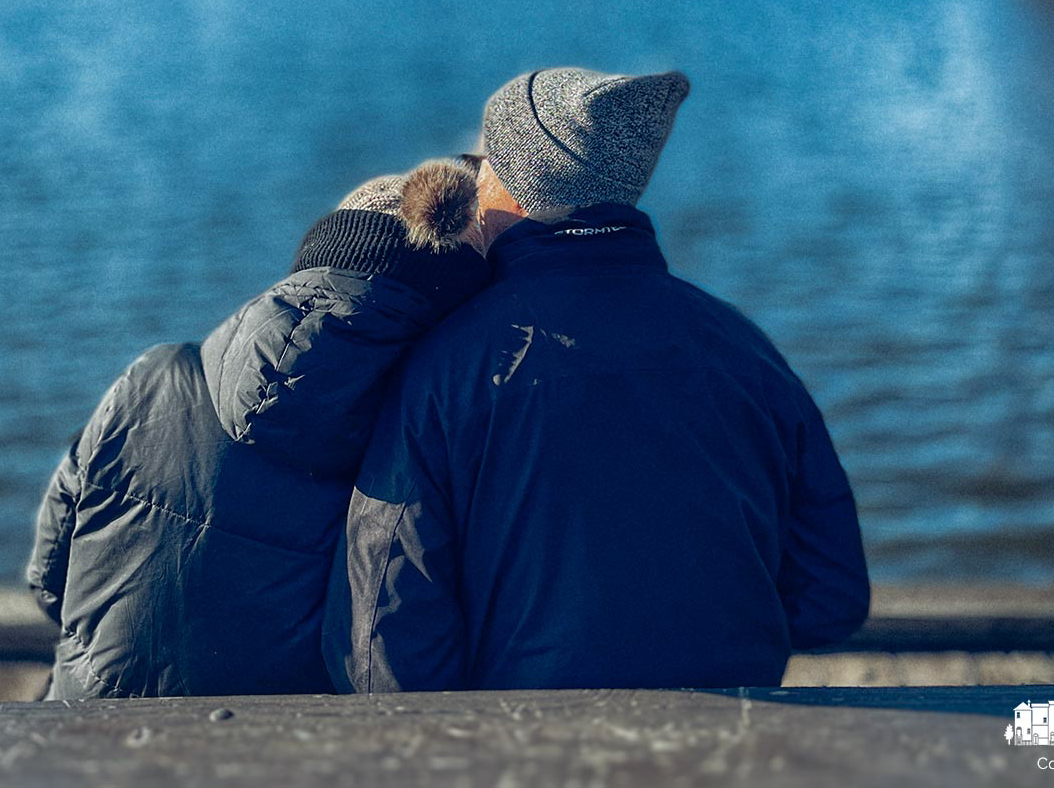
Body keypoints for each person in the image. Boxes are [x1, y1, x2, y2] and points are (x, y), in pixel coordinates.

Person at [325, 67, 869, 692]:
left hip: (527, 750)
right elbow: (831, 600)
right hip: (733, 741)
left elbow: (381, 642)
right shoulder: (746, 350)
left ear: (504, 185)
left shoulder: (448, 363)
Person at [27, 158, 488, 697]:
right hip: (264, 754)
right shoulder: (419, 433)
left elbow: (48, 575)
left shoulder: (154, 376)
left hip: (83, 732)